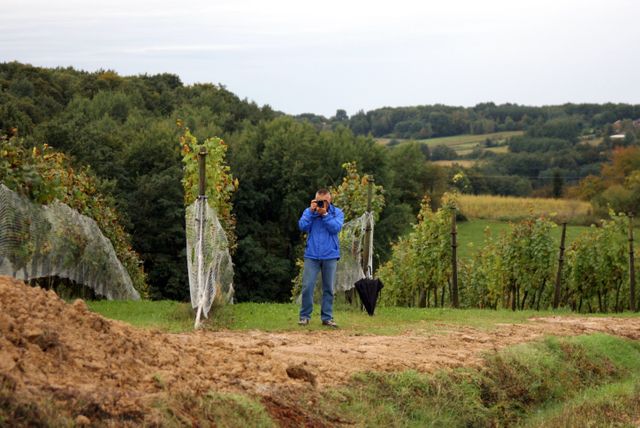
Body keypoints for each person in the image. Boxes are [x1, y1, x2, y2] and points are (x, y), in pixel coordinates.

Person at [297, 188, 344, 328]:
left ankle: (327, 318)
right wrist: (311, 213)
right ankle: (304, 317)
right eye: (318, 201)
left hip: (330, 255)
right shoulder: (309, 212)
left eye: (324, 201)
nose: (321, 203)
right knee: (307, 286)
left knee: (328, 288)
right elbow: (302, 226)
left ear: (329, 200)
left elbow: (336, 228)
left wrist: (325, 215)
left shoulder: (337, 212)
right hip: (312, 255)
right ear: (314, 200)